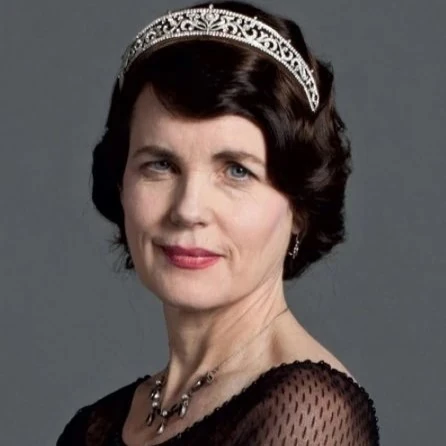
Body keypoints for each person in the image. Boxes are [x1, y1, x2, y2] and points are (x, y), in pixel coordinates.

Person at [56, 1, 380, 444]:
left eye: (237, 171)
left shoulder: (307, 415)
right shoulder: (95, 426)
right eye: (160, 165)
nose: (188, 209)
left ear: (300, 207)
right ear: (120, 182)